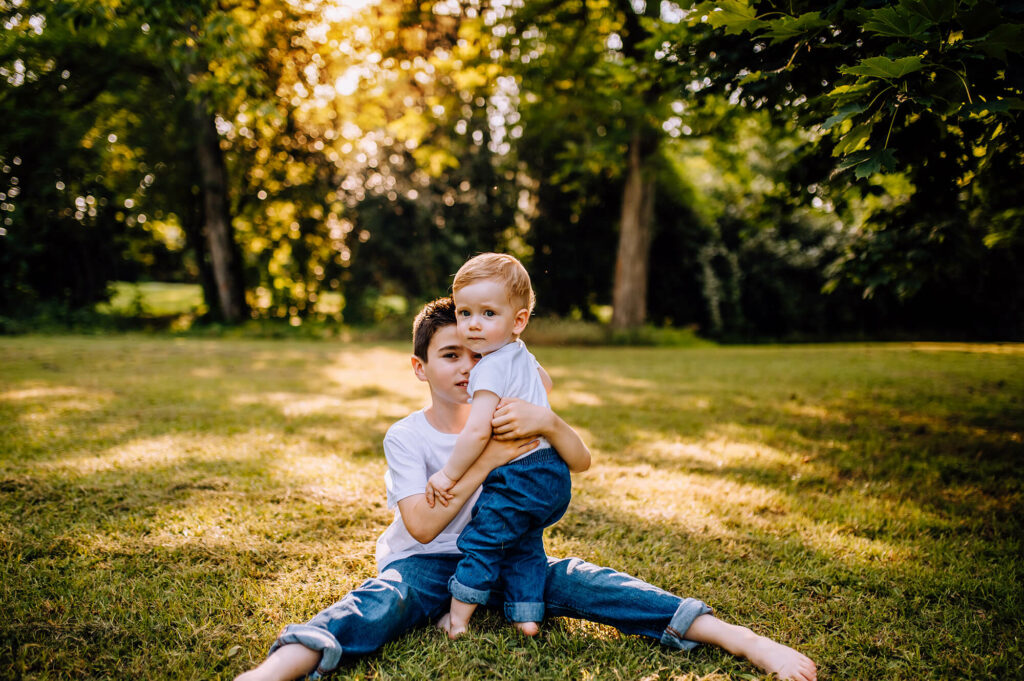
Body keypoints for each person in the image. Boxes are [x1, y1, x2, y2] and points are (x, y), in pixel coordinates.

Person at [235, 297, 817, 681]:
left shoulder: (517, 412)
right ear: (420, 368)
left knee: (592, 584)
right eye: (450, 355)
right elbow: (421, 525)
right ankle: (282, 666)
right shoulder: (407, 436)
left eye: (478, 354)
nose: (468, 367)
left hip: (514, 557)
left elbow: (581, 461)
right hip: (430, 565)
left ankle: (739, 639)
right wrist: (487, 461)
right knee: (379, 603)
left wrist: (551, 424)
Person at [425, 253, 569, 639]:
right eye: (464, 312)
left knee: (484, 539)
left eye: (488, 314)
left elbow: (475, 432)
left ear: (518, 320)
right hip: (553, 470)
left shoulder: (488, 367)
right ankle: (526, 616)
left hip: (519, 474)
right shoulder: (519, 351)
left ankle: (457, 619)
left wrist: (448, 474)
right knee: (523, 542)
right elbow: (547, 383)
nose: (472, 325)